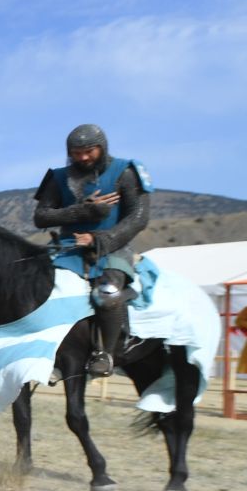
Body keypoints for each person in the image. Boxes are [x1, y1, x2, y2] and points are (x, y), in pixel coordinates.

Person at [33, 123, 151, 378]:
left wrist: (103, 240)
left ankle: (104, 354)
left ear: (102, 147)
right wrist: (82, 211)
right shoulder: (58, 177)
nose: (83, 157)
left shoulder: (126, 172)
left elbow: (138, 218)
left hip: (112, 248)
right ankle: (47, 350)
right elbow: (41, 217)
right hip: (67, 248)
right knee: (36, 288)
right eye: (77, 153)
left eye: (89, 151)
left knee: (107, 294)